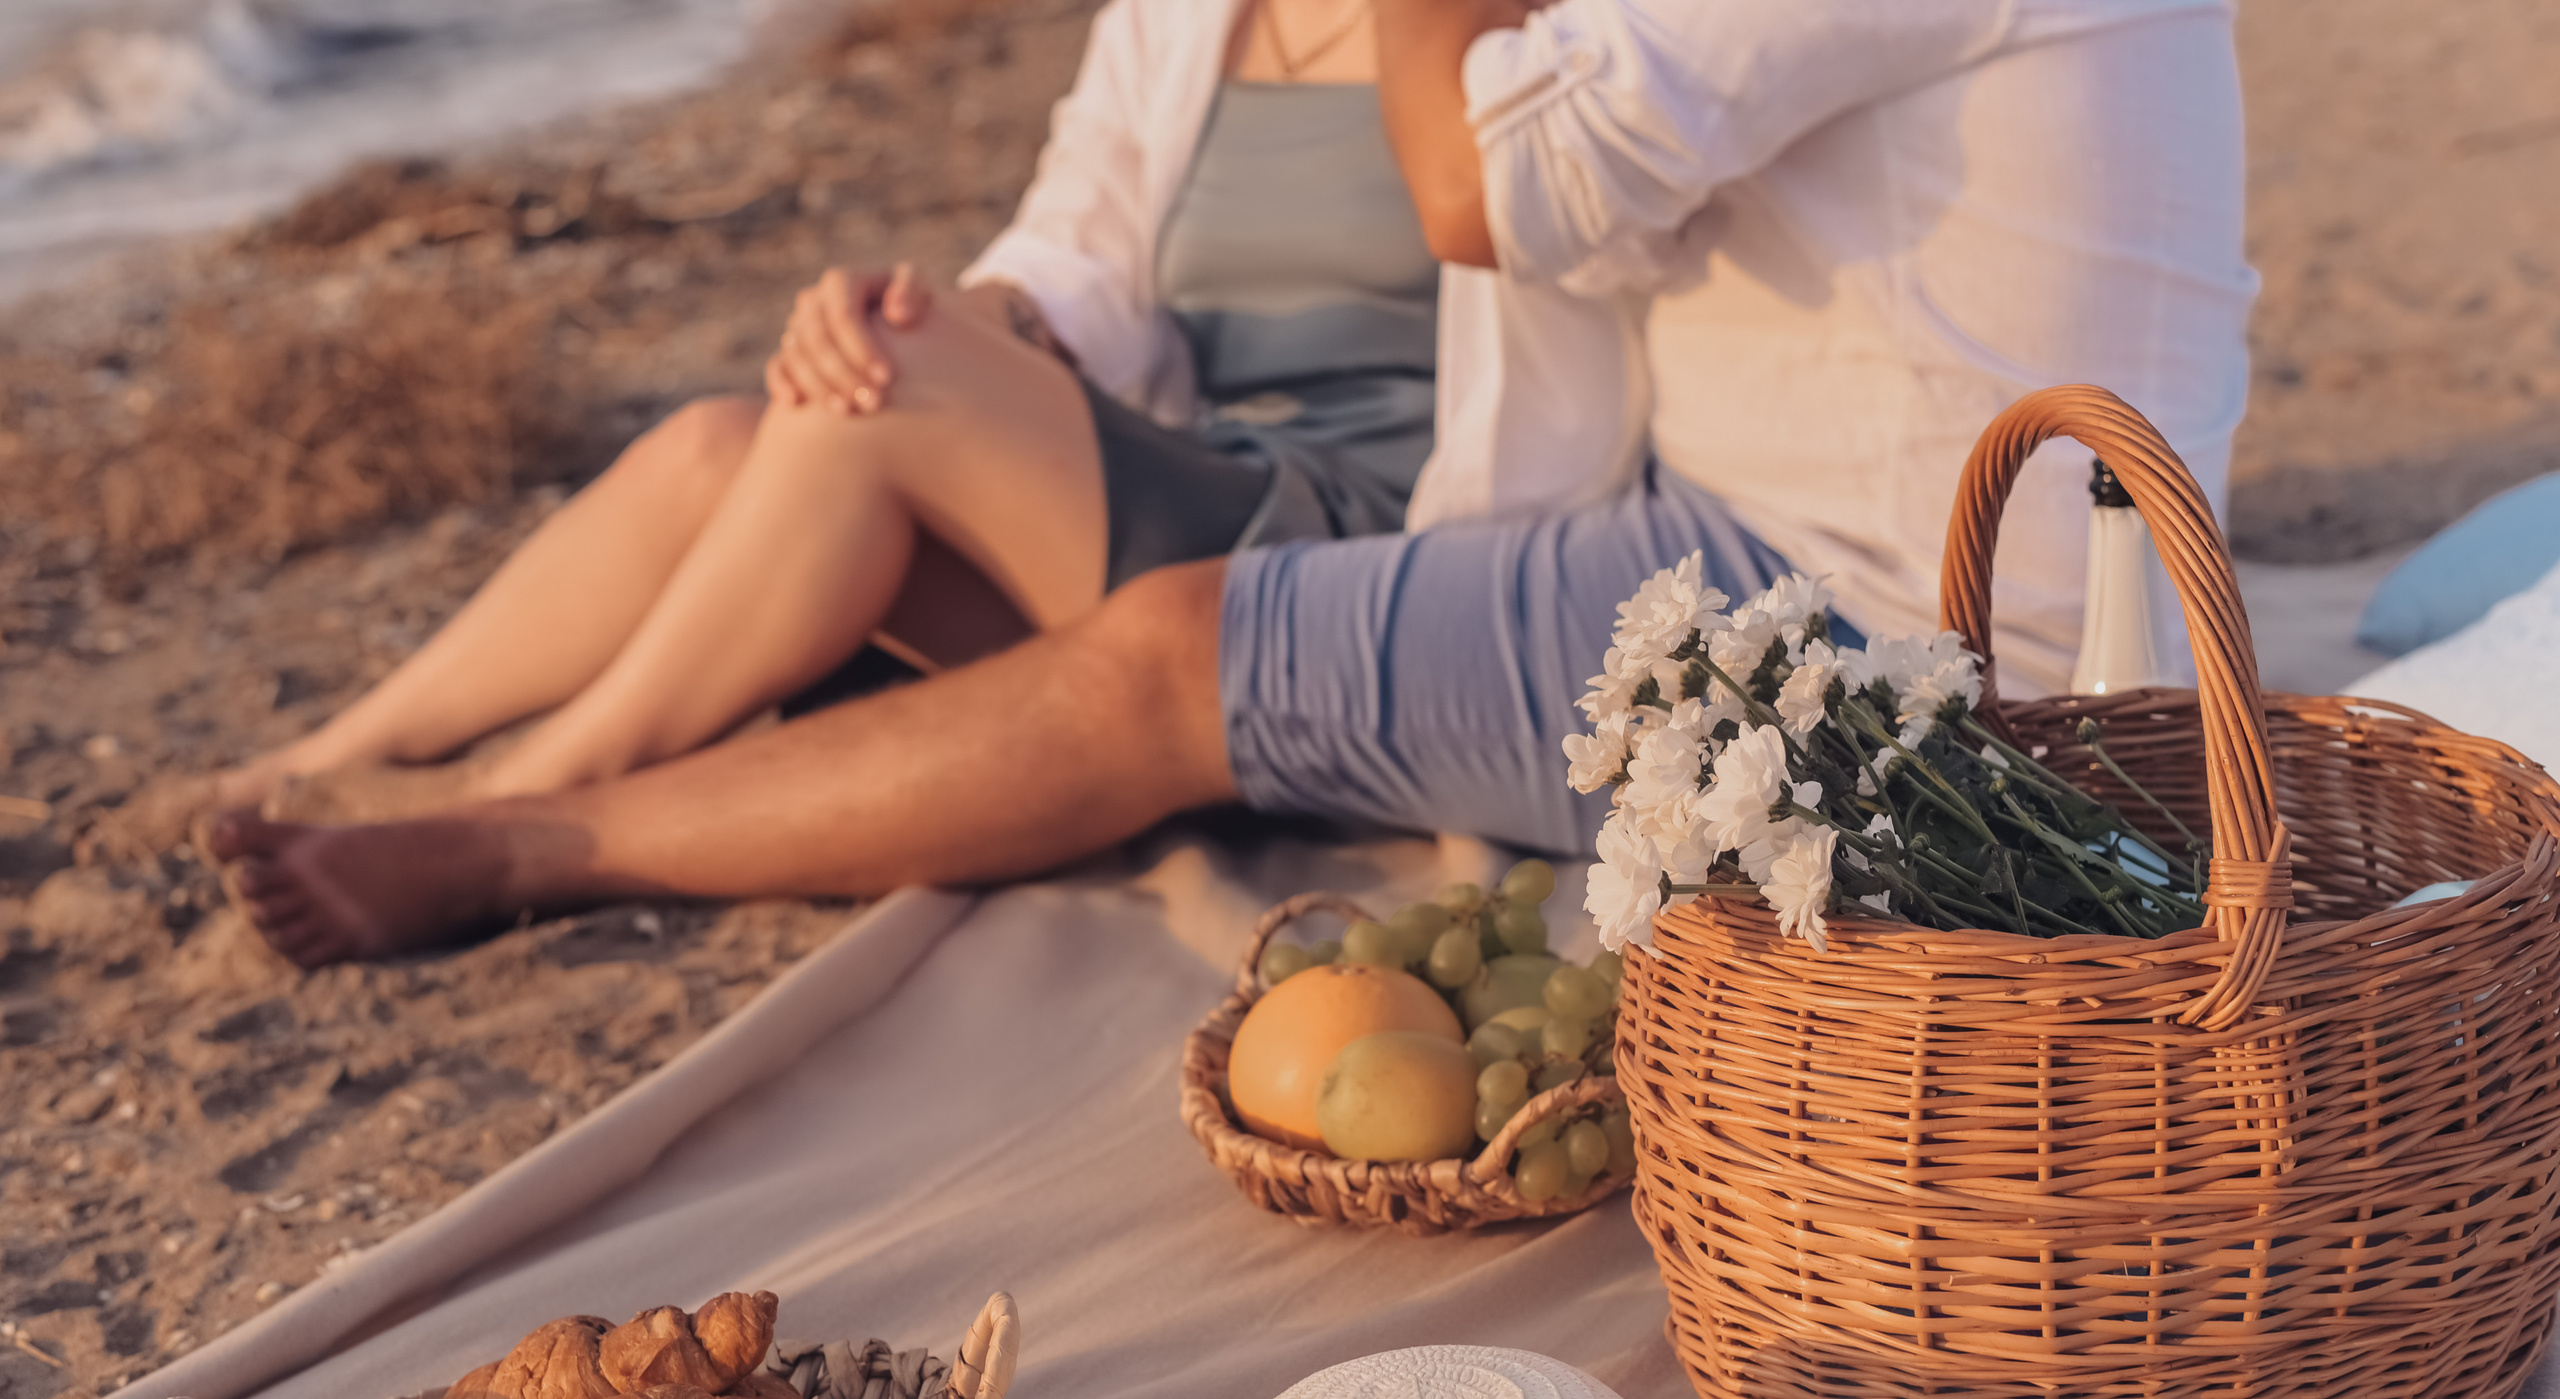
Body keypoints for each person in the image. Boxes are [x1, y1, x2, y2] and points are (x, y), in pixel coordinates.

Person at [214, 0, 2255, 969]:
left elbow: (1486, 185)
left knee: (1154, 651)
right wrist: (975, 326)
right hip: (1875, 553)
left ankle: (525, 832)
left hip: (1868, 605)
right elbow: (1085, 238)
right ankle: (386, 750)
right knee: (753, 428)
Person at [210, 0, 1480, 824]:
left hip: (1364, 547)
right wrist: (943, 316)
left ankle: (531, 787)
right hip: (1200, 466)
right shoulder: (1183, 16)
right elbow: (1067, 257)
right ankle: (326, 760)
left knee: (889, 383)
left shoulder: (1521, 24)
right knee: (734, 436)